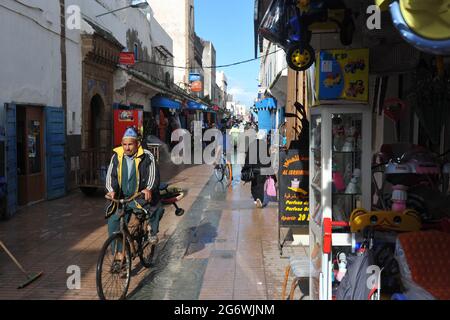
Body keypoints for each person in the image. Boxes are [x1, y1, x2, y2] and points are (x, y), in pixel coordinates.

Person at [105, 127, 162, 246]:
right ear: (121, 144)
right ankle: (120, 253)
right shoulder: (117, 156)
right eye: (124, 144)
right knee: (113, 222)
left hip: (139, 195)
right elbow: (111, 175)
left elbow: (153, 174)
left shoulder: (147, 156)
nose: (127, 148)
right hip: (123, 197)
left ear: (137, 144)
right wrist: (111, 190)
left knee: (154, 208)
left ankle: (152, 231)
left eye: (130, 144)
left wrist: (148, 189)